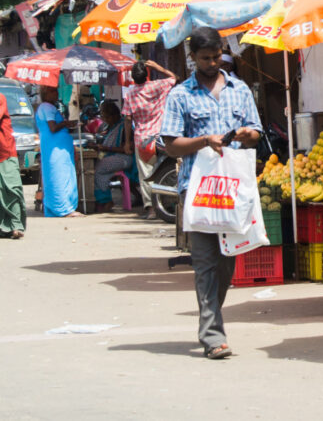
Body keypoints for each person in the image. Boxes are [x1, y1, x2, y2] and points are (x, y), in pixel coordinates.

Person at [161, 27, 262, 360]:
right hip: (198, 192)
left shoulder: (240, 89)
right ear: (193, 58)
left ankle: (211, 319)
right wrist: (205, 140)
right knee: (205, 264)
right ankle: (213, 335)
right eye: (205, 58)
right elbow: (171, 146)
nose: (212, 62)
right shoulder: (180, 95)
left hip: (232, 191)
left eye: (216, 56)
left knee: (225, 266)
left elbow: (256, 132)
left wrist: (247, 134)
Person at [123, 59, 177, 220]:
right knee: (168, 170)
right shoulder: (158, 86)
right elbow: (175, 78)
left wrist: (127, 142)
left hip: (142, 139)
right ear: (147, 75)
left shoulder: (130, 94)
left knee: (146, 174)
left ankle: (152, 208)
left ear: (133, 77)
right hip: (161, 137)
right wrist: (159, 67)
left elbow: (127, 118)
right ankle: (168, 201)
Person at [35, 85, 81, 217]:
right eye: (53, 91)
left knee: (54, 176)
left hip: (53, 148)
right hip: (56, 149)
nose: (56, 94)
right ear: (46, 93)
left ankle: (56, 208)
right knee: (60, 176)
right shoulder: (47, 107)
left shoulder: (43, 107)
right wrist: (66, 123)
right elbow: (53, 128)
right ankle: (64, 208)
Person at [92, 101, 134, 213]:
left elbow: (126, 149)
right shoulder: (110, 127)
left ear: (114, 115)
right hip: (113, 156)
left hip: (125, 158)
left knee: (98, 170)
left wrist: (106, 148)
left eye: (107, 117)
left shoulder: (124, 127)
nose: (105, 120)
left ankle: (105, 200)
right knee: (94, 167)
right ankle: (100, 200)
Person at [0, 92, 26, 238]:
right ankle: (3, 227)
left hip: (5, 151)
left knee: (12, 188)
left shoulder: (1, 97)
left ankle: (16, 225)